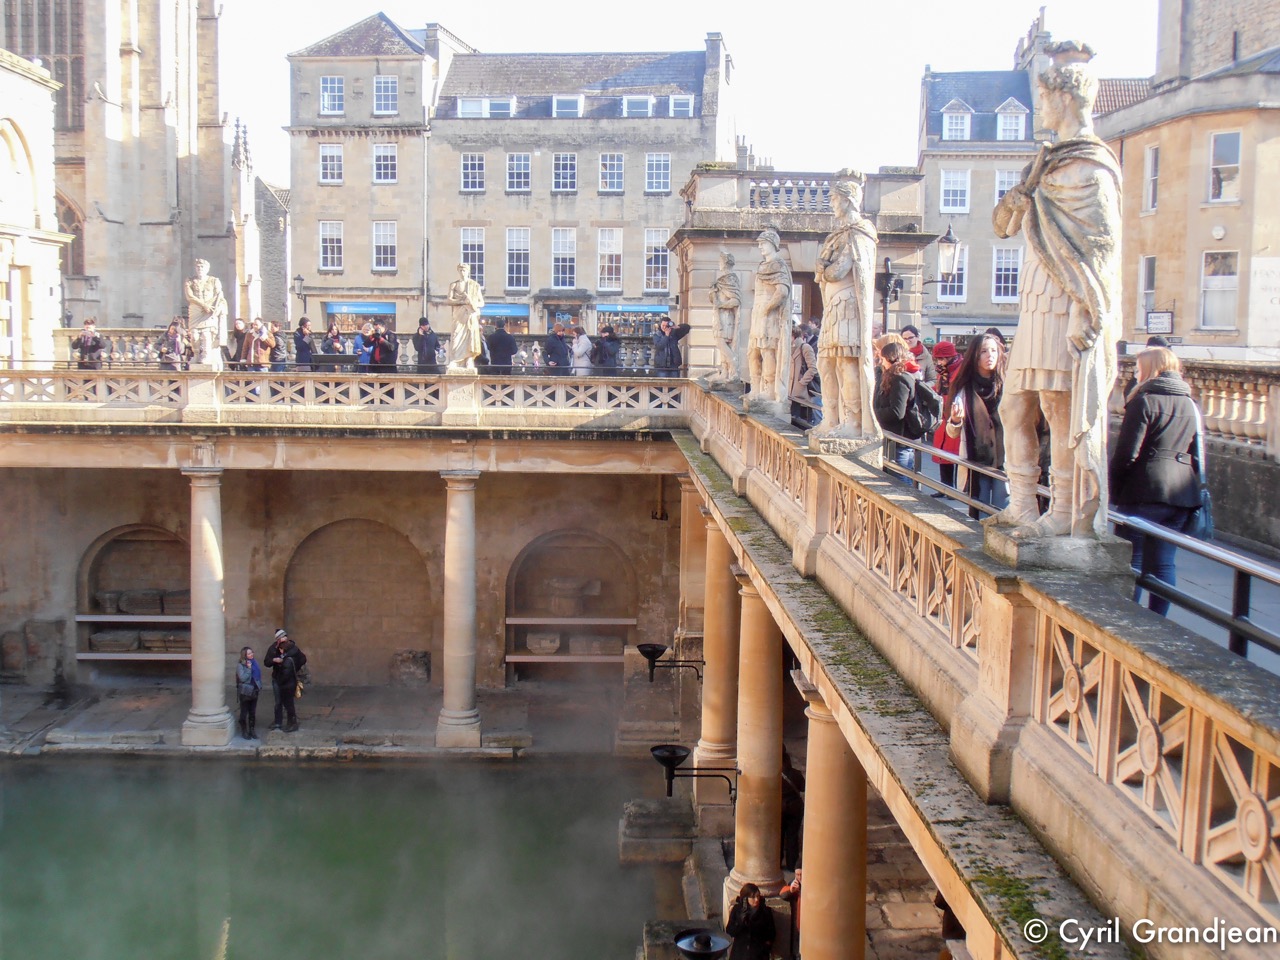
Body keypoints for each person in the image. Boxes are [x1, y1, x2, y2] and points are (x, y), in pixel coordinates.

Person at [988, 42, 1122, 541]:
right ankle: (1022, 503)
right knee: (1014, 407)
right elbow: (1002, 225)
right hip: (1036, 297)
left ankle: (1063, 511)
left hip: (1065, 298)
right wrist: (1020, 195)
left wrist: (1087, 310)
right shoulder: (1045, 163)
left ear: (1065, 98)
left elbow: (1102, 247)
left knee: (1059, 407)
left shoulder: (1091, 167)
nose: (1039, 106)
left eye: (1044, 96)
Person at [1109, 347, 1202, 616]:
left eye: (1138, 369)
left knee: (1132, 558)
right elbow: (1197, 454)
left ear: (1150, 369)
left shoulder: (1145, 401)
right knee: (1163, 562)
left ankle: (1132, 616)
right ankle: (1159, 619)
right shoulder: (1190, 404)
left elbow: (1127, 453)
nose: (1136, 375)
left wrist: (1114, 491)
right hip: (1182, 494)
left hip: (1144, 491)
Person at [812, 174, 880, 440]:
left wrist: (825, 267)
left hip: (848, 305)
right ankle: (831, 419)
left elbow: (840, 270)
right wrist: (823, 267)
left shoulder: (860, 232)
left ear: (849, 200)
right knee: (826, 363)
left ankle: (852, 422)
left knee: (846, 362)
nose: (831, 203)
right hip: (834, 306)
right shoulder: (838, 235)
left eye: (834, 198)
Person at [945, 333, 1009, 519]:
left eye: (994, 350)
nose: (990, 355)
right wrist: (956, 420)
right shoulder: (965, 388)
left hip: (1004, 461)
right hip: (976, 461)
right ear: (975, 355)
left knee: (1002, 513)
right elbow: (952, 433)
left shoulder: (1008, 386)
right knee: (979, 515)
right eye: (983, 351)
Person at [747, 229, 791, 402]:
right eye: (759, 244)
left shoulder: (778, 265)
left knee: (767, 351)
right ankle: (755, 389)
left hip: (770, 316)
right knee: (753, 353)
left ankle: (770, 389)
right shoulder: (761, 265)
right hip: (758, 314)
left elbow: (782, 292)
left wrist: (767, 308)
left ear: (773, 244)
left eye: (763, 243)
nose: (760, 247)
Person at [873, 340, 918, 480]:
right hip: (895, 438)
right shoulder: (893, 376)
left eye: (883, 359)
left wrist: (874, 414)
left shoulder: (900, 378)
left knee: (900, 482)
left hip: (900, 440)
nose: (881, 362)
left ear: (890, 358)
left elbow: (897, 412)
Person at [930, 340, 964, 494]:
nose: (940, 361)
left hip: (956, 415)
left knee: (956, 453)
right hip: (943, 415)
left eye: (942, 358)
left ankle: (957, 489)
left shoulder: (961, 369)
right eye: (937, 359)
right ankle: (945, 487)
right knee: (943, 453)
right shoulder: (942, 370)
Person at [183, 258, 228, 370]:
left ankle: (206, 355)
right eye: (198, 267)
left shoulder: (214, 280)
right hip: (196, 309)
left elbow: (219, 295)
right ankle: (197, 354)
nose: (200, 269)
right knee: (194, 336)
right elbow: (190, 296)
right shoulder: (190, 281)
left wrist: (213, 308)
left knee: (206, 334)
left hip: (209, 309)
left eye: (202, 267)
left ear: (207, 269)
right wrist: (203, 305)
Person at [708, 251, 742, 382]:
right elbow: (714, 300)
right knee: (721, 344)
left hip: (726, 319)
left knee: (721, 343)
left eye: (720, 261)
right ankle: (725, 371)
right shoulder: (720, 281)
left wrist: (722, 304)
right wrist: (712, 293)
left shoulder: (730, 279)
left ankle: (734, 369)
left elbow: (736, 301)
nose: (719, 264)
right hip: (719, 317)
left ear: (724, 263)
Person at [264, 628, 306, 733]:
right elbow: (266, 662)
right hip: (277, 678)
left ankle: (291, 722)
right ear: (277, 640)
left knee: (288, 702)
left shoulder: (293, 648)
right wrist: (274, 660)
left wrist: (293, 666)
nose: (284, 638)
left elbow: (302, 659)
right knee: (278, 701)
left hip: (287, 679)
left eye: (285, 636)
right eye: (282, 637)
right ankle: (278, 721)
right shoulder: (273, 649)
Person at [446, 262, 484, 371]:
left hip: (470, 315)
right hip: (458, 315)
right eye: (460, 270)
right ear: (458, 271)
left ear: (468, 271)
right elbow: (449, 300)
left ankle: (469, 360)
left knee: (470, 337)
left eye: (464, 270)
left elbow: (481, 303)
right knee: (456, 336)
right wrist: (462, 301)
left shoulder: (475, 285)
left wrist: (472, 302)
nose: (462, 272)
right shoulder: (454, 285)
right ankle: (455, 360)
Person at [726, 883, 775, 960]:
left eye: (758, 896)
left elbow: (771, 933)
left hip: (758, 954)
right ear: (745, 898)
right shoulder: (737, 910)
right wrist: (740, 922)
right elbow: (729, 931)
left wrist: (766, 947)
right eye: (753, 897)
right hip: (740, 952)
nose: (756, 899)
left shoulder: (765, 911)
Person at [780, 750, 805, 872]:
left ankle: (777, 861)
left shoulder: (773, 774)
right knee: (792, 837)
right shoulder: (796, 774)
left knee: (778, 836)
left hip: (778, 808)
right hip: (795, 808)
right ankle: (792, 864)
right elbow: (803, 787)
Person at [788, 326, 817, 429]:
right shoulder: (789, 348)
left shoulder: (805, 347)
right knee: (792, 421)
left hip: (801, 391)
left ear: (793, 335)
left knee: (800, 422)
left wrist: (802, 382)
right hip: (791, 392)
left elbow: (813, 368)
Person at [235, 646, 261, 740]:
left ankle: (252, 730)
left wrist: (259, 685)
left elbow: (258, 675)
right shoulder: (241, 665)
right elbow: (242, 678)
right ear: (244, 655)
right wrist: (249, 669)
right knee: (244, 711)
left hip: (254, 690)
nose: (252, 655)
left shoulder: (255, 662)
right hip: (245, 691)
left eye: (252, 653)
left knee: (252, 712)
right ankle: (244, 731)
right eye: (249, 654)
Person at [779, 869, 802, 960]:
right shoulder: (793, 884)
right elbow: (782, 895)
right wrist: (791, 890)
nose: (799, 877)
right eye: (797, 874)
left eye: (801, 874)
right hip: (797, 924)